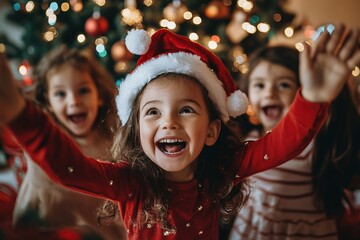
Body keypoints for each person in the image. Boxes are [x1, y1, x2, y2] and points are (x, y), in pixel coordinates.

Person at [0, 24, 358, 239]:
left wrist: (312, 98)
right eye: (152, 112)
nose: (168, 122)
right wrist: (19, 114)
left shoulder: (221, 170)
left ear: (212, 131)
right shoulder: (129, 183)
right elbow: (68, 167)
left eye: (186, 110)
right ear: (137, 129)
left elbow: (281, 145)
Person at [227, 45, 360, 240]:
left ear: (302, 90)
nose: (269, 93)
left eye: (284, 85)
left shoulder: (313, 146)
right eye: (259, 85)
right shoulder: (248, 139)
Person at [9, 46, 127, 239]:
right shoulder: (48, 139)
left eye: (83, 91)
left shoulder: (114, 141)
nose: (73, 101)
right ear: (48, 103)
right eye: (60, 94)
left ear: (99, 96)